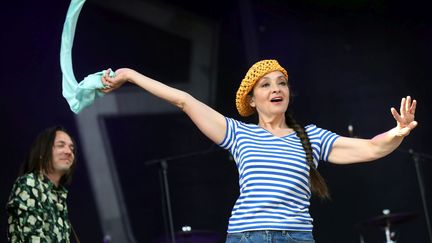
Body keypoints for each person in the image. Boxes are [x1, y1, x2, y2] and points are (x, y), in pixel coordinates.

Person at [101, 59, 417, 242]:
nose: (276, 89)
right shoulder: (238, 133)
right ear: (252, 100)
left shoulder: (311, 137)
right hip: (246, 237)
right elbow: (183, 100)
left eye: (281, 82)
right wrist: (130, 75)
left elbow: (373, 148)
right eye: (265, 85)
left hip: (295, 237)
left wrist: (398, 132)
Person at [6, 126, 77, 243]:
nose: (69, 152)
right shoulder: (29, 184)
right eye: (61, 145)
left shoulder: (58, 196)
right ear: (42, 152)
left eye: (71, 148)